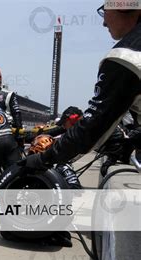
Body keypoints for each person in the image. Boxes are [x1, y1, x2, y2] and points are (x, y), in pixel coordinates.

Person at [25, 4, 140, 171]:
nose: (103, 23)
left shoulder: (126, 58)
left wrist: (43, 159)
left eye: (105, 11)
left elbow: (91, 129)